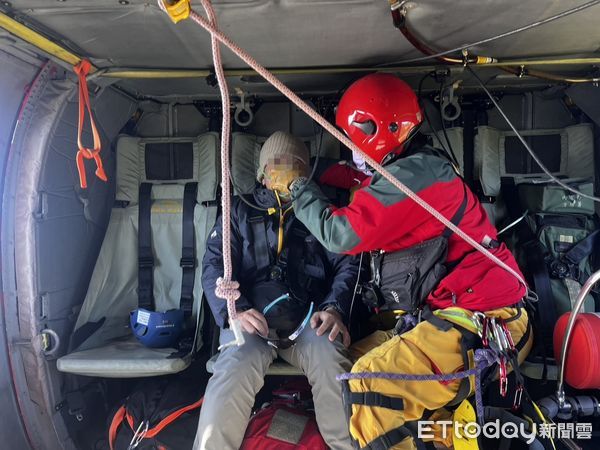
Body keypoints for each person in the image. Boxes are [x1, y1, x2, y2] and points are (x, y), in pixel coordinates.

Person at [288, 73, 533, 449]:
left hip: (486, 318)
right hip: (450, 313)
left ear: (379, 129)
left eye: (353, 137)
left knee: (369, 385)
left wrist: (297, 187)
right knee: (347, 362)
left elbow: (341, 234)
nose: (351, 147)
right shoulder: (410, 173)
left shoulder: (418, 175)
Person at [195, 131, 358, 450]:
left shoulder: (324, 211)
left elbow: (347, 265)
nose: (285, 174)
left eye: (295, 167)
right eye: (276, 167)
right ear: (262, 175)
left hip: (310, 322)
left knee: (331, 361)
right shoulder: (237, 211)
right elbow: (215, 266)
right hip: (254, 324)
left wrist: (334, 308)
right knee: (231, 370)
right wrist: (235, 312)